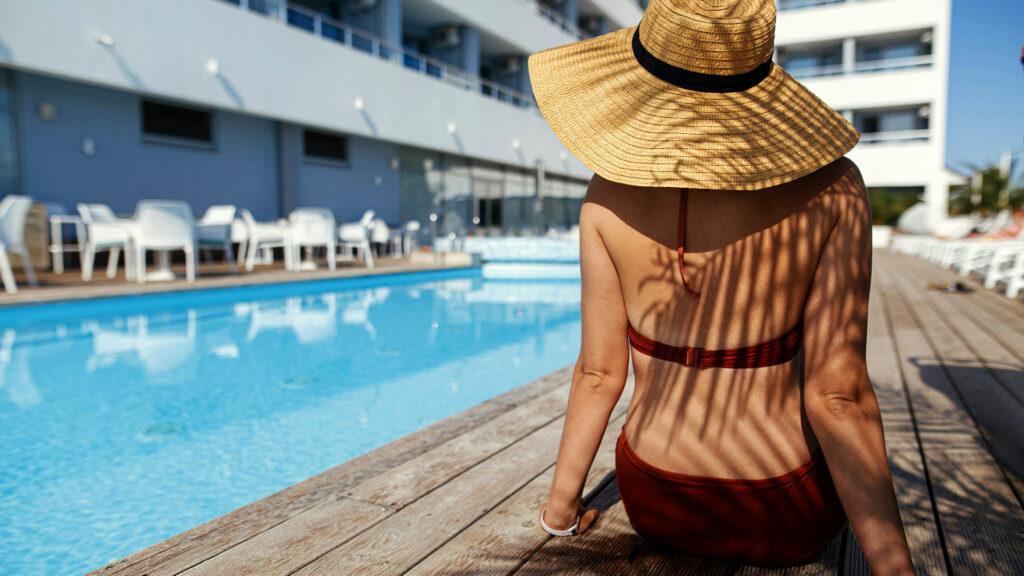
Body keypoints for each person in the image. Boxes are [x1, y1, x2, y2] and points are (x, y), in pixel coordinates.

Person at [527, 0, 915, 574]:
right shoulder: (834, 189)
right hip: (783, 506)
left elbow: (598, 374)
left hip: (655, 499)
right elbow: (839, 397)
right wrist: (894, 569)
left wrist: (561, 512)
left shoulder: (605, 197)